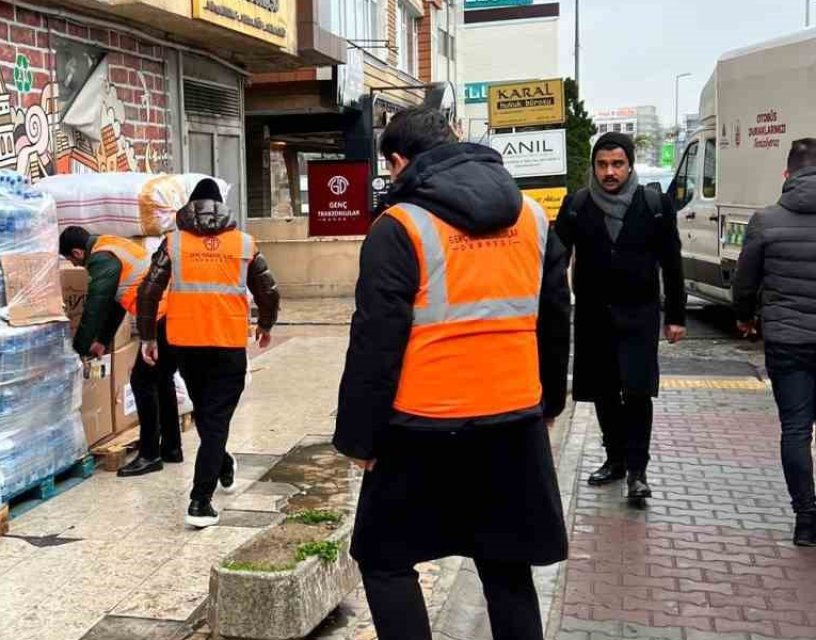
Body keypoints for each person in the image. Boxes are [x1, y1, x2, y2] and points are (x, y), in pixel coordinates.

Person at [334, 106, 571, 640]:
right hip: (513, 421)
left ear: (398, 162)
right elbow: (556, 318)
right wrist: (549, 404)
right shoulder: (532, 217)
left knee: (385, 559)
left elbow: (375, 340)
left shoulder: (400, 226)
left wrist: (360, 438)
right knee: (507, 565)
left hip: (423, 425)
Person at [135, 179, 280, 528]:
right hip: (228, 345)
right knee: (215, 421)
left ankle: (223, 462)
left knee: (207, 415)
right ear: (221, 207)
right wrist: (267, 325)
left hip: (187, 346)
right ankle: (200, 501)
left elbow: (148, 291)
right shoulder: (244, 244)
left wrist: (148, 336)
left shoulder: (174, 243)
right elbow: (268, 290)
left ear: (191, 207)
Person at [554, 132, 687, 501]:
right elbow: (556, 261)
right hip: (594, 316)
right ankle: (614, 459)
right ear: (593, 167)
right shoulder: (577, 205)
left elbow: (672, 264)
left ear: (629, 166)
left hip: (639, 315)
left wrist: (676, 316)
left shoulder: (654, 205)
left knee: (638, 391)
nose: (609, 172)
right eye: (602, 165)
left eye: (617, 164)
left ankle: (637, 472)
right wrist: (551, 305)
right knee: (604, 393)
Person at [732, 138, 816, 547]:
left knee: (796, 430)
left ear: (787, 175)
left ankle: (806, 519)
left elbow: (745, 281)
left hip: (788, 340)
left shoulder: (765, 221)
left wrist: (745, 316)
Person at [59, 226, 183, 477]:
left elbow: (96, 305)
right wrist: (102, 341)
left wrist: (78, 349)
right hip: (173, 313)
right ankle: (171, 447)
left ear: (77, 252)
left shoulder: (101, 258)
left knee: (142, 380)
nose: (76, 265)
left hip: (161, 315)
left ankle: (150, 455)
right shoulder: (111, 243)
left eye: (73, 261)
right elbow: (118, 300)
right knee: (161, 379)